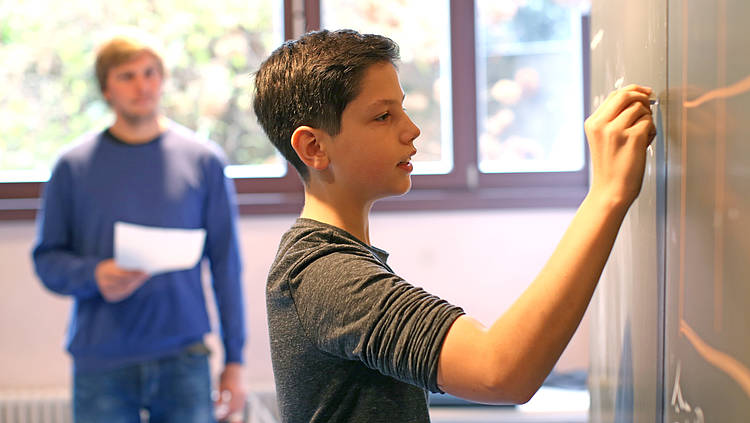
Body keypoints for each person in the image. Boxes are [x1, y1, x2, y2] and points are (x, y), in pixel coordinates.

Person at [253, 29, 656, 422]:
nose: (412, 130)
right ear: (314, 148)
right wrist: (607, 194)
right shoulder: (325, 274)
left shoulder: (333, 261)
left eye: (403, 109)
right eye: (383, 116)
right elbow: (500, 372)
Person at [32, 30, 247, 422]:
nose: (142, 85)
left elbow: (226, 266)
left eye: (150, 73)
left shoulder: (203, 161)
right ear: (106, 89)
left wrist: (236, 360)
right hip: (101, 361)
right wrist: (94, 274)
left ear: (162, 80)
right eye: (127, 76)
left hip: (184, 357)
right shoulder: (72, 167)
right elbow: (46, 260)